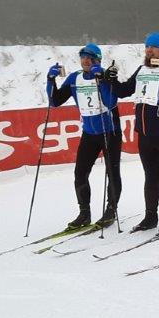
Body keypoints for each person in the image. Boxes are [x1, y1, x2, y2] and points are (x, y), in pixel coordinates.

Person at [107, 32, 159, 235]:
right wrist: (112, 79)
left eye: (153, 47)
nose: (149, 50)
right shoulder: (142, 69)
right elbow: (124, 91)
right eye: (147, 47)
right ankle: (150, 216)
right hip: (145, 132)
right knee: (150, 176)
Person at [47, 43, 121, 229]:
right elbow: (55, 101)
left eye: (90, 58)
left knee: (112, 173)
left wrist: (101, 79)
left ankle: (110, 210)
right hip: (89, 133)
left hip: (109, 132)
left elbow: (111, 101)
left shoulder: (106, 75)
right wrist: (50, 80)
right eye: (83, 57)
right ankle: (84, 213)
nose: (86, 61)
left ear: (98, 60)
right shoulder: (75, 78)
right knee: (80, 173)